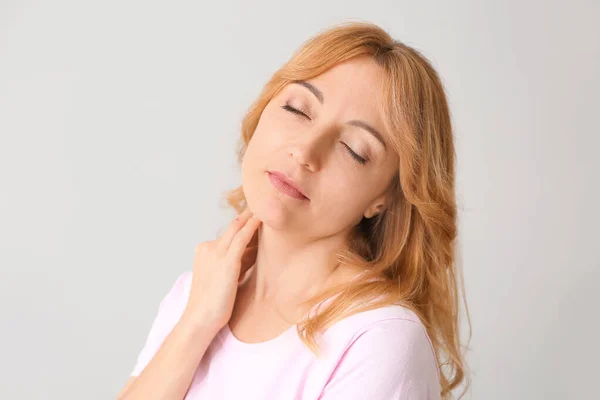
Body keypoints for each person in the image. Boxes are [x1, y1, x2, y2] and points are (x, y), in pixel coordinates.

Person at [117, 20, 470, 400]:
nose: (305, 151)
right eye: (298, 109)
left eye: (353, 148)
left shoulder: (378, 339)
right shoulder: (195, 294)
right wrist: (196, 322)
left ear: (384, 198)